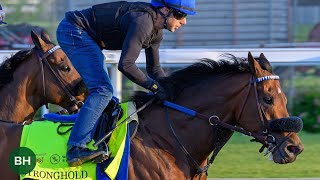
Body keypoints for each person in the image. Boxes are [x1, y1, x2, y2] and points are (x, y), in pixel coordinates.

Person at [56, 0, 196, 167]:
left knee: (103, 91)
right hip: (73, 30)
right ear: (164, 10)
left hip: (87, 36)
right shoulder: (142, 22)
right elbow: (126, 65)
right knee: (103, 91)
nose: (184, 21)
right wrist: (154, 87)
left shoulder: (156, 32)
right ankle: (75, 148)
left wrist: (171, 89)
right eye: (180, 15)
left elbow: (155, 70)